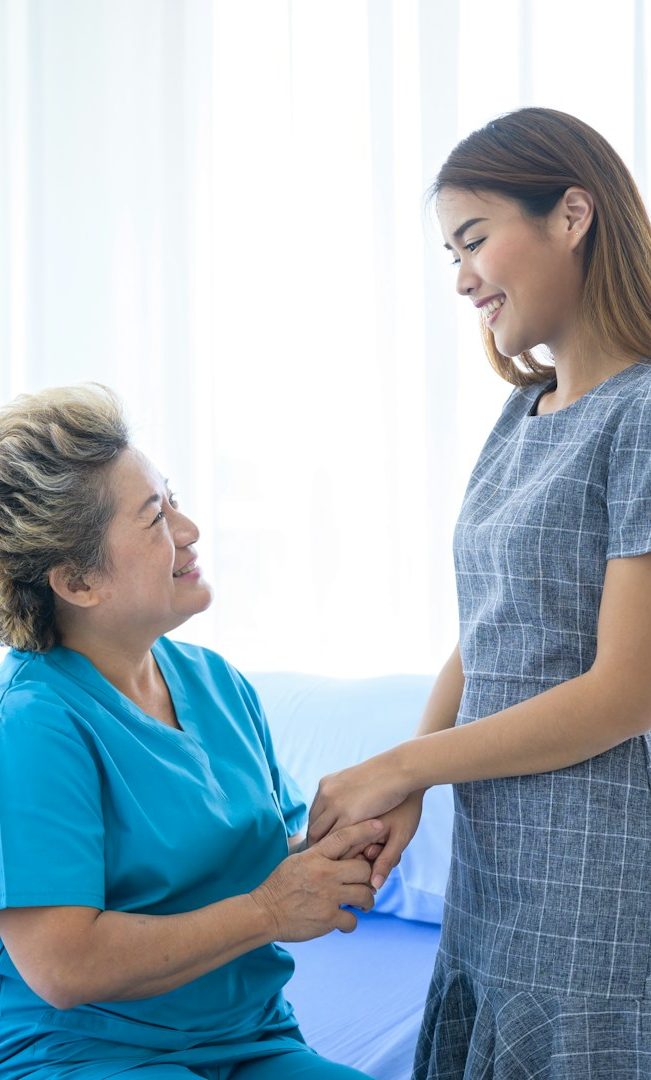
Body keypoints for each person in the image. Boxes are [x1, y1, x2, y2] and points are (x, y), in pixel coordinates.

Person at [307, 107, 651, 1077]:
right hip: (494, 866)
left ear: (571, 215)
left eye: (472, 240)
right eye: (449, 254)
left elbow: (627, 690)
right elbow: (490, 623)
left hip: (595, 876)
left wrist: (402, 764)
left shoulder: (641, 413)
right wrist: (413, 779)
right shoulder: (521, 411)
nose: (461, 278)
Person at [0, 384, 382, 1080]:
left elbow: (255, 859)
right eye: (155, 517)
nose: (189, 528)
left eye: (171, 498)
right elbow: (63, 966)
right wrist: (269, 912)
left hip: (251, 1038)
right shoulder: (32, 725)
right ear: (78, 582)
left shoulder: (216, 681)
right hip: (84, 1054)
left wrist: (336, 848)